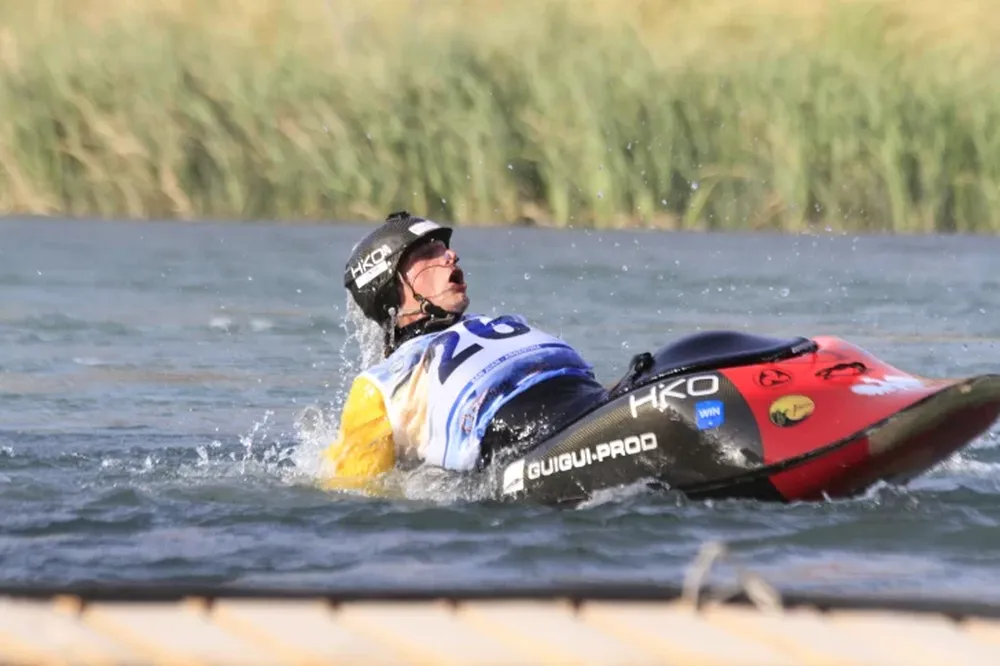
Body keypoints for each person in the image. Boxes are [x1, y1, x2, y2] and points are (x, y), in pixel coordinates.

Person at [320, 210, 609, 491]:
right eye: (428, 254)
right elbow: (357, 489)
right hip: (528, 438)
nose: (451, 256)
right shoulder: (381, 385)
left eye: (444, 249)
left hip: (595, 403)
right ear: (392, 286)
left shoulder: (492, 323)